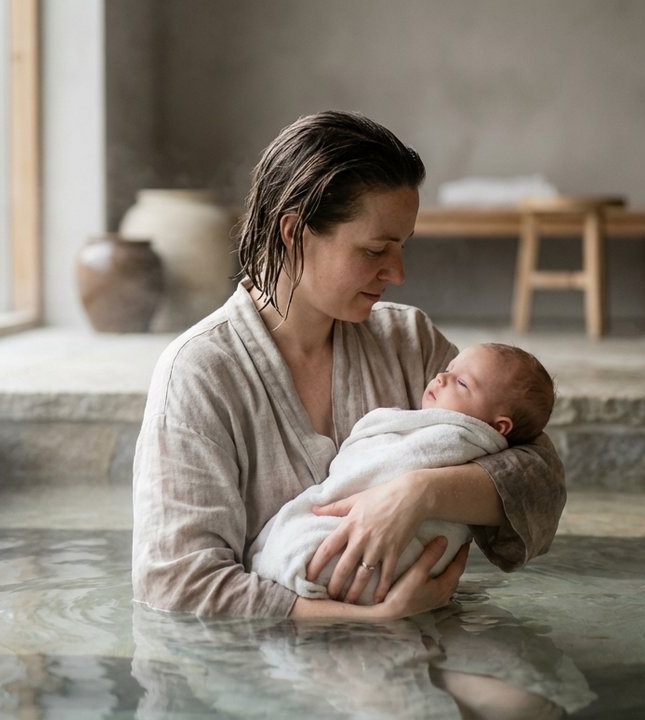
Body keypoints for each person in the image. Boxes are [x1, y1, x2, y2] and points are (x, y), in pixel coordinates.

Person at [131, 110, 567, 621]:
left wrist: (417, 494)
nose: (397, 273)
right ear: (294, 232)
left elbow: (540, 481)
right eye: (375, 250)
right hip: (265, 649)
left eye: (402, 247)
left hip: (418, 631)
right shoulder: (200, 374)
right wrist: (371, 620)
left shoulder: (409, 342)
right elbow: (176, 583)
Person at [250, 343, 555, 604]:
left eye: (462, 383)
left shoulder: (462, 439)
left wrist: (419, 490)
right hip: (368, 593)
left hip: (398, 563)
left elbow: (538, 478)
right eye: (448, 369)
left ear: (498, 427)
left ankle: (297, 561)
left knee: (307, 554)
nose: (441, 377)